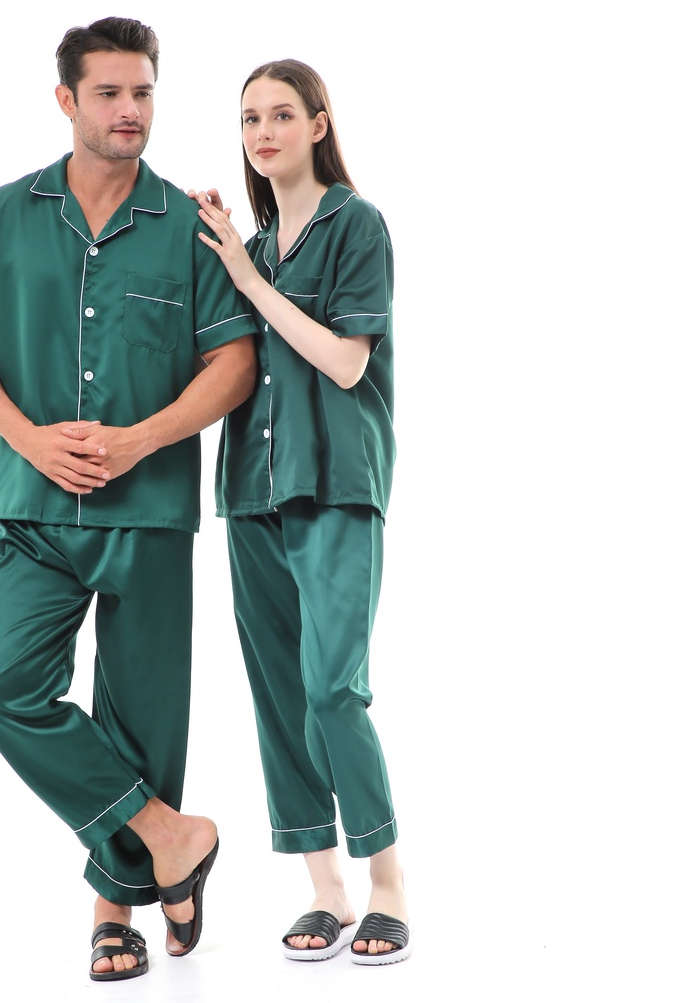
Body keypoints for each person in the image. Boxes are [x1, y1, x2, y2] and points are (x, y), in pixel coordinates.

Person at [0, 17, 256, 982]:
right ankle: (169, 836)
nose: (130, 111)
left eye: (143, 92)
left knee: (145, 721)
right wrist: (29, 438)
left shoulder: (189, 227)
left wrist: (141, 439)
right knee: (1, 687)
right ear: (66, 100)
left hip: (149, 509)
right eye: (110, 93)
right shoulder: (3, 215)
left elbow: (233, 365)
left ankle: (114, 915)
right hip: (32, 508)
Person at [189, 58, 410, 965]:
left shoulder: (356, 224)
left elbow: (348, 363)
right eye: (250, 119)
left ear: (319, 125)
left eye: (282, 115)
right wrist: (225, 259)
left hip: (338, 483)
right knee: (281, 693)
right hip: (252, 489)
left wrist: (249, 280)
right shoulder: (253, 243)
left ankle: (387, 883)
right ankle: (325, 888)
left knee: (332, 688)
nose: (263, 133)